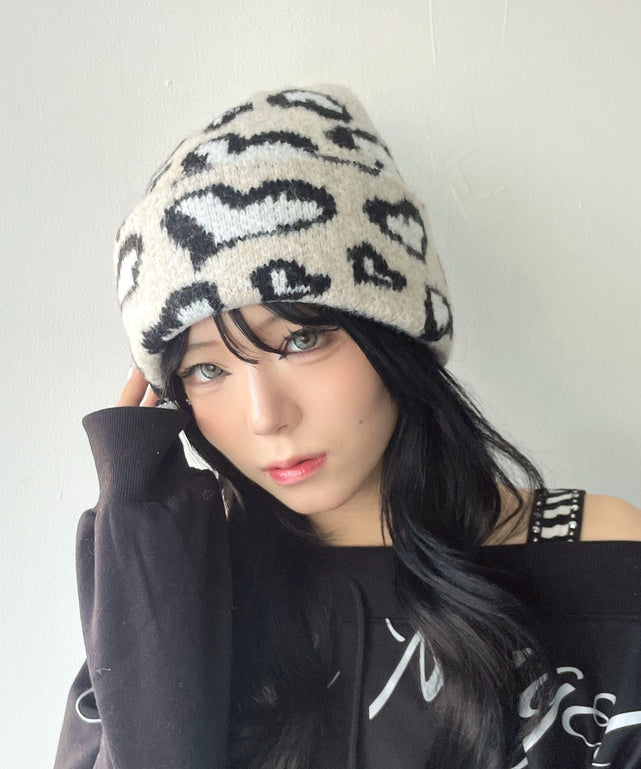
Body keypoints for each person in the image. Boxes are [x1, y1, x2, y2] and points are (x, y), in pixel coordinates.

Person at [54, 86, 641, 769]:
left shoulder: (594, 554)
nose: (266, 417)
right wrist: (138, 533)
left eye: (300, 341)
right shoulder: (182, 584)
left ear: (395, 334)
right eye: (207, 369)